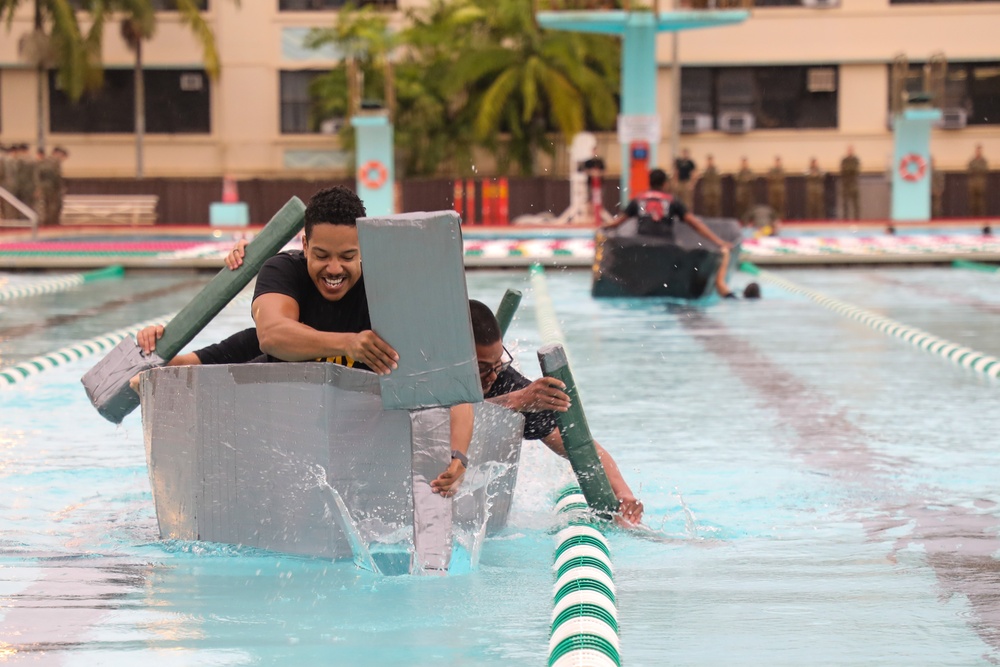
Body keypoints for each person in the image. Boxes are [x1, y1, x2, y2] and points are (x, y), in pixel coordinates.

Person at [468, 300, 643, 526]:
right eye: (482, 368)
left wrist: (623, 493)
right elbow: (437, 419)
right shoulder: (424, 376)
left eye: (498, 363)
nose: (492, 376)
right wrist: (514, 401)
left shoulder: (506, 383)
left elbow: (579, 446)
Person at [605, 168, 737, 298]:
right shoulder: (672, 200)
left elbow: (617, 223)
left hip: (642, 249)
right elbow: (695, 224)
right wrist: (719, 242)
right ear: (665, 184)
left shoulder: (638, 199)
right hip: (666, 249)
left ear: (649, 183)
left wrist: (602, 228)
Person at [37, 146, 67, 226]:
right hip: (53, 188)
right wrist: (61, 188)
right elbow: (56, 177)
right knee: (54, 207)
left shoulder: (43, 161)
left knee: (45, 207)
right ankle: (53, 224)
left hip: (44, 187)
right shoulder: (56, 162)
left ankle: (45, 223)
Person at [840, 145, 861, 220]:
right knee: (845, 203)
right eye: (849, 150)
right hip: (846, 183)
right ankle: (845, 218)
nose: (850, 152)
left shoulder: (856, 160)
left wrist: (849, 169)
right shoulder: (844, 160)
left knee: (855, 203)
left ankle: (857, 218)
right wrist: (849, 169)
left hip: (854, 183)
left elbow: (855, 170)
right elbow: (843, 170)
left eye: (851, 150)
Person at [968, 144, 988, 218]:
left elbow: (984, 170)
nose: (978, 152)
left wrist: (976, 168)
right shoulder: (972, 161)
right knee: (972, 202)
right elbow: (969, 170)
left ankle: (981, 216)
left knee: (981, 201)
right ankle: (973, 216)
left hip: (981, 183)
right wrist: (977, 169)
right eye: (977, 151)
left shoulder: (984, 161)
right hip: (973, 183)